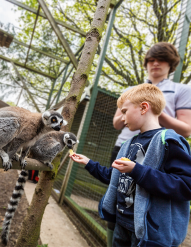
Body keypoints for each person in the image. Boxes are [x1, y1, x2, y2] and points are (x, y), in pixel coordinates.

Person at [70, 83, 191, 247]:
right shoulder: (128, 144)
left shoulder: (169, 141)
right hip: (122, 223)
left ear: (143, 107)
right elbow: (115, 177)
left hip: (148, 232)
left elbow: (186, 186)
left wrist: (138, 171)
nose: (121, 118)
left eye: (125, 111)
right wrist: (88, 163)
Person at [111, 42, 191, 166]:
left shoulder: (182, 90)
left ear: (170, 63)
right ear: (146, 63)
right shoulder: (130, 90)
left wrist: (155, 111)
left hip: (155, 150)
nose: (155, 63)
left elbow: (186, 131)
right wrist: (130, 112)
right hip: (123, 147)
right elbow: (116, 124)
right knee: (115, 184)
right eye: (151, 60)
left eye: (161, 59)